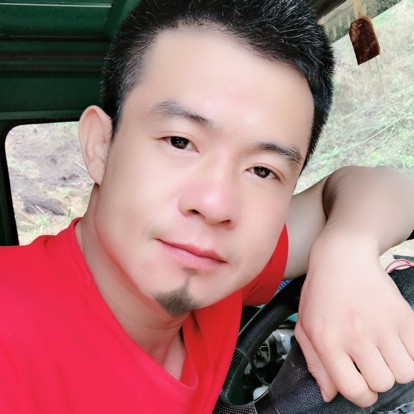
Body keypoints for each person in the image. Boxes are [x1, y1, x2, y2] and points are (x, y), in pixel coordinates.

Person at [0, 0, 413, 412]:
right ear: (101, 146)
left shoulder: (220, 280)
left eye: (262, 170)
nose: (215, 205)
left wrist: (346, 251)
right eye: (180, 142)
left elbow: (393, 189)